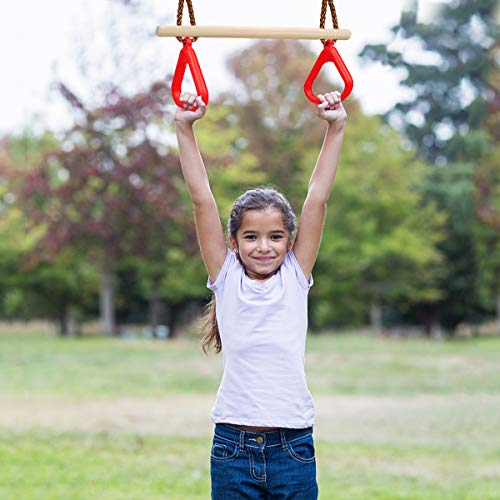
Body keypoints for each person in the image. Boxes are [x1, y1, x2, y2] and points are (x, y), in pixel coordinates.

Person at [174, 89, 346, 499]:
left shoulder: (295, 275)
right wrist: (184, 128)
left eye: (275, 236)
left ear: (290, 242)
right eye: (251, 236)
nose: (263, 246)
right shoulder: (226, 275)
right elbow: (202, 200)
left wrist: (335, 127)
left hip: (293, 449)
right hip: (232, 447)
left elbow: (317, 198)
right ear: (233, 242)